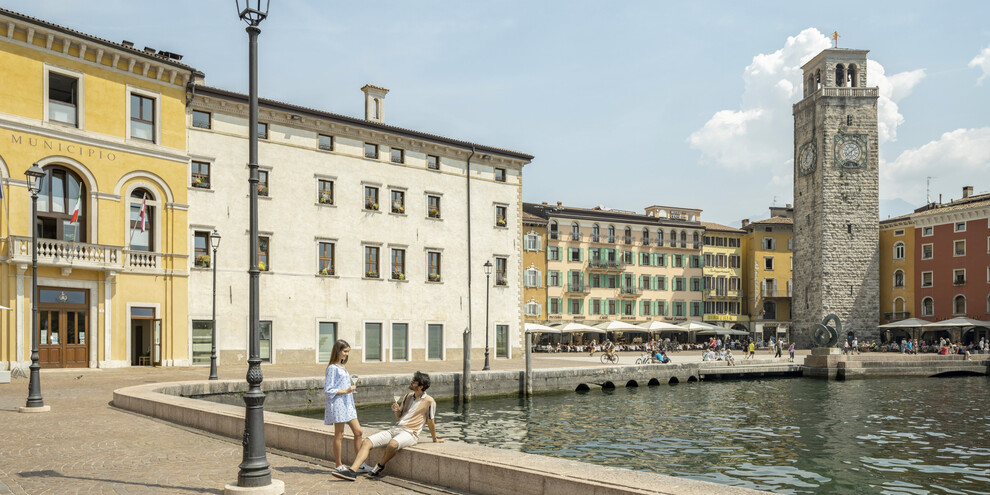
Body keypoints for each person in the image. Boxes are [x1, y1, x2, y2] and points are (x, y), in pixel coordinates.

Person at [332, 371, 444, 481]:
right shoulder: (408, 396)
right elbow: (400, 416)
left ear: (421, 386)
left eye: (414, 382)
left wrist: (435, 438)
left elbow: (430, 421)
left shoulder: (430, 401)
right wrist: (396, 410)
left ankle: (379, 466)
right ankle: (352, 471)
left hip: (411, 433)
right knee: (367, 441)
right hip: (396, 428)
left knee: (392, 444)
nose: (411, 382)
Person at [324, 340, 370, 474]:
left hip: (348, 404)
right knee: (339, 434)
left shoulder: (342, 366)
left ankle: (360, 464)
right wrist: (346, 391)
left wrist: (349, 390)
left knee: (358, 432)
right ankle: (338, 465)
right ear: (337, 351)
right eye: (345, 351)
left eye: (348, 352)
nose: (346, 354)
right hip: (338, 403)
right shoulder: (332, 368)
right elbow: (328, 389)